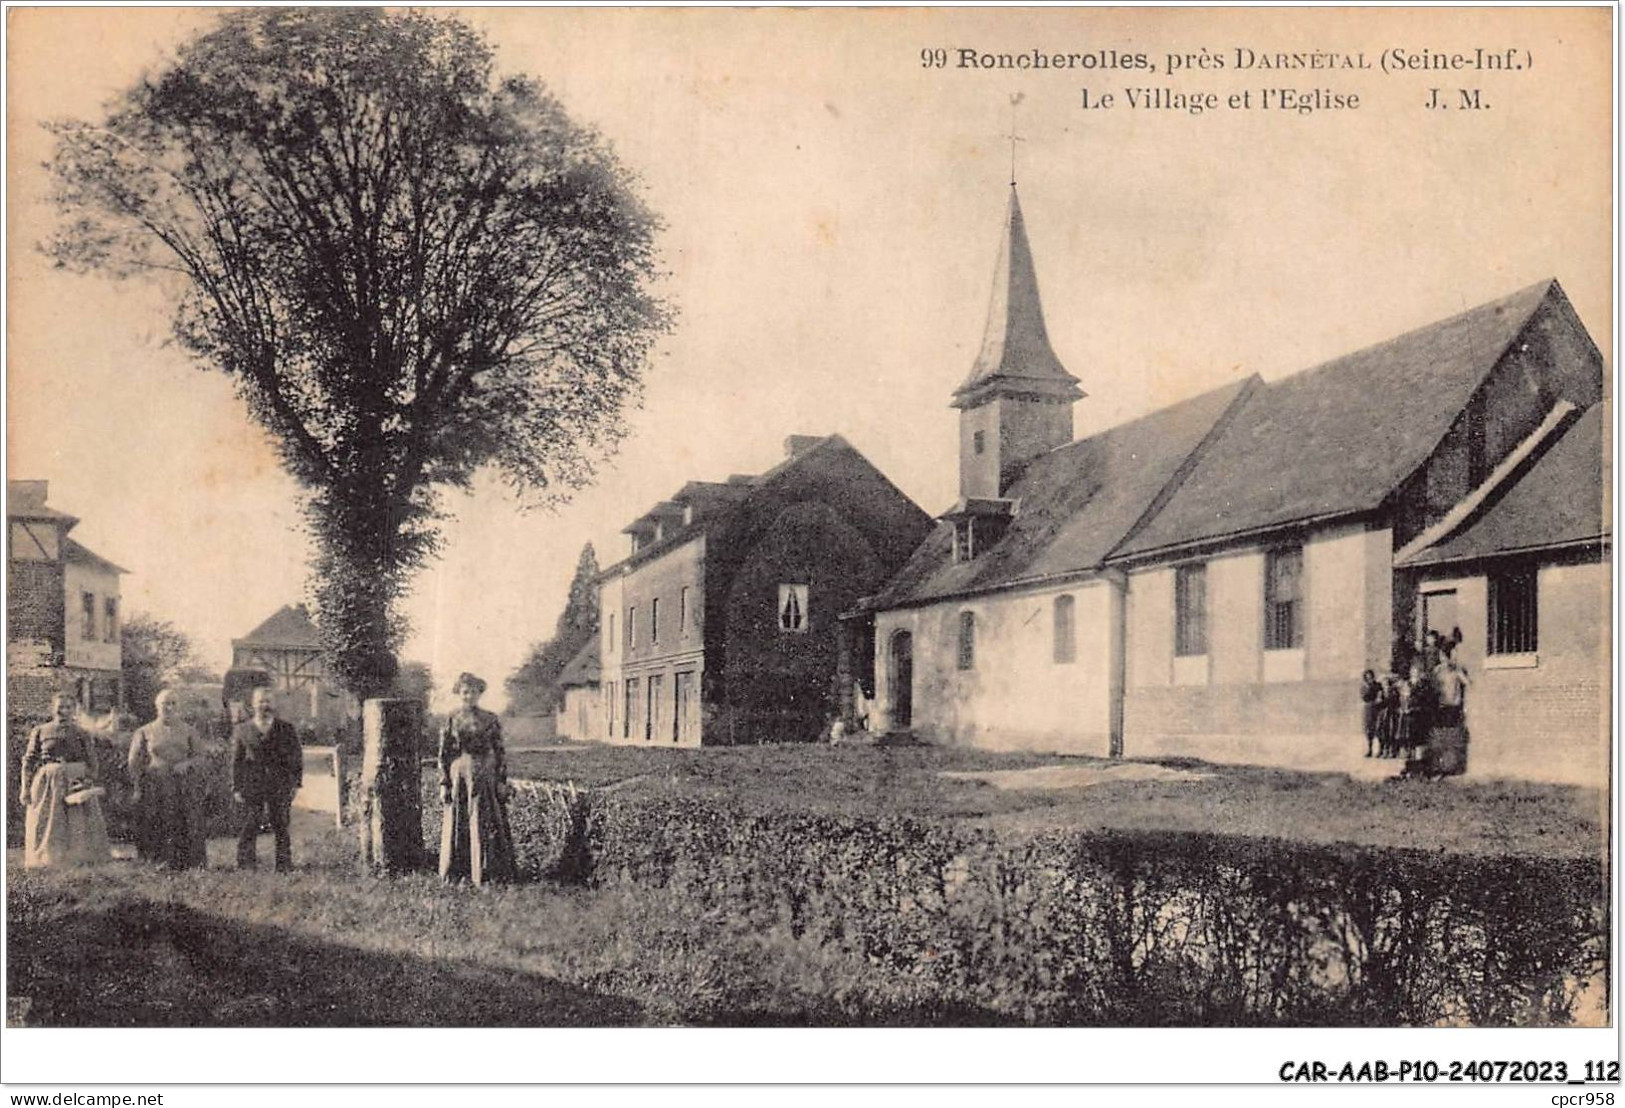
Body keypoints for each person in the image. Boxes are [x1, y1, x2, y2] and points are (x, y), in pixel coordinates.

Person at [438, 672, 517, 886]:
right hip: (460, 776)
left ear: (479, 693)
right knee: (461, 820)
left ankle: (489, 872)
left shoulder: (490, 718)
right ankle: (459, 871)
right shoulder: (453, 718)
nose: (469, 696)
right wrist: (444, 783)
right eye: (465, 692)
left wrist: (501, 780)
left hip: (484, 775)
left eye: (473, 692)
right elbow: (444, 753)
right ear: (459, 693)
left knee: (485, 819)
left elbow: (499, 751)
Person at [18, 693, 111, 868]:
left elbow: (92, 762)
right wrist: (25, 788)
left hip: (76, 782)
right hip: (48, 783)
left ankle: (77, 860)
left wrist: (87, 782)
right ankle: (46, 859)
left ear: (74, 710)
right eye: (60, 707)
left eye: (69, 707)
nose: (64, 711)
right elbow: (29, 761)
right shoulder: (41, 730)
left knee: (77, 822)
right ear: (53, 708)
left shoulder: (82, 733)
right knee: (47, 821)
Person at [128, 689, 210, 870]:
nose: (169, 707)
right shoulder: (144, 731)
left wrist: (187, 763)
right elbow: (134, 761)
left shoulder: (189, 731)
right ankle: (158, 861)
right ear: (157, 706)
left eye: (173, 703)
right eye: (165, 703)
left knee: (185, 820)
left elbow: (201, 756)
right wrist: (138, 785)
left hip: (182, 785)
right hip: (156, 785)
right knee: (157, 820)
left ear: (178, 706)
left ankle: (187, 862)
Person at [230, 687, 302, 871]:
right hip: (252, 783)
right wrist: (236, 787)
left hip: (279, 783)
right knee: (250, 823)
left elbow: (296, 757)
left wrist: (295, 783)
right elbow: (236, 761)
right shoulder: (242, 729)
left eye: (268, 701)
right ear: (253, 704)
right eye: (261, 701)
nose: (265, 705)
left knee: (281, 824)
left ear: (274, 704)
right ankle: (246, 864)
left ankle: (284, 864)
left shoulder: (286, 728)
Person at [1359, 670, 1382, 757]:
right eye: (1367, 677)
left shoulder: (1377, 685)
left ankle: (1380, 750)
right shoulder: (1364, 686)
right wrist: (1368, 688)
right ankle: (1370, 749)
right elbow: (1364, 697)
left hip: (1377, 708)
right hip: (1368, 709)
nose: (1369, 678)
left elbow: (1379, 695)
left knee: (1379, 728)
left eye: (1371, 676)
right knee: (1368, 730)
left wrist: (1377, 699)